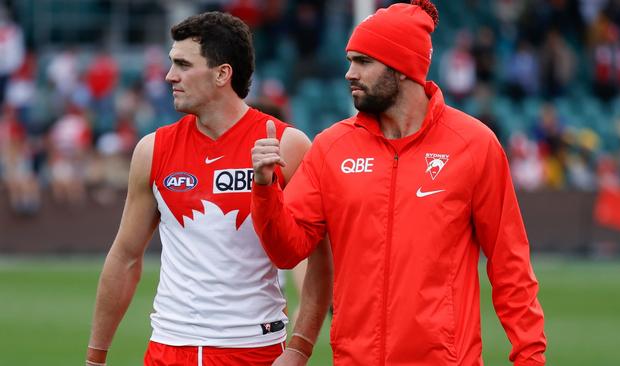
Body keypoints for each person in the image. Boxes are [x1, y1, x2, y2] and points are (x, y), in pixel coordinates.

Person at [250, 1, 547, 365]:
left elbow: (509, 266)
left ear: (403, 68)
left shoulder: (474, 145)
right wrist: (265, 189)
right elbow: (286, 250)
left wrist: (530, 358)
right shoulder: (331, 147)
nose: (349, 73)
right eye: (349, 61)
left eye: (363, 61)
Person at [85, 11, 332, 366]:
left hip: (254, 349)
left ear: (222, 74)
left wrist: (300, 347)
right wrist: (95, 358)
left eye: (183, 65)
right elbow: (125, 258)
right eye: (172, 64)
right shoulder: (153, 150)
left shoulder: (288, 145)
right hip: (168, 349)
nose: (170, 76)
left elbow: (319, 256)